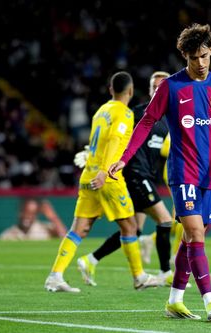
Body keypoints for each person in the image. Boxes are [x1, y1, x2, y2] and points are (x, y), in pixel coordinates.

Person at [108, 24, 211, 322]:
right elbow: (145, 123)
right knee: (196, 234)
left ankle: (174, 300)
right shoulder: (170, 87)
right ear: (184, 55)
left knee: (190, 238)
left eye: (206, 56)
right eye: (195, 57)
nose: (201, 63)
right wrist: (124, 158)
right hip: (183, 171)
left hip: (210, 174)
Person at [44, 71, 161, 293]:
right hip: (108, 177)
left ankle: (55, 276)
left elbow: (97, 142)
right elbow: (115, 140)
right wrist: (106, 172)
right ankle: (139, 277)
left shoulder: (101, 111)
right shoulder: (124, 114)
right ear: (131, 91)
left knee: (80, 227)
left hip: (89, 174)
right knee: (130, 226)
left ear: (110, 90)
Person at [75, 71, 175, 287]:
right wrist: (90, 153)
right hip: (134, 174)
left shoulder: (169, 119)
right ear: (149, 90)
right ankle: (166, 272)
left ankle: (90, 259)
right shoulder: (138, 113)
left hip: (145, 175)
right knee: (165, 220)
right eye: (153, 86)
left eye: (162, 86)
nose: (157, 89)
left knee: (133, 230)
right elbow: (113, 135)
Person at [0, 199, 67, 241]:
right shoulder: (8, 235)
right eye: (26, 212)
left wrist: (52, 216)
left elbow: (64, 238)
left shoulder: (44, 229)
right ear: (20, 213)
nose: (28, 217)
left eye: (32, 213)